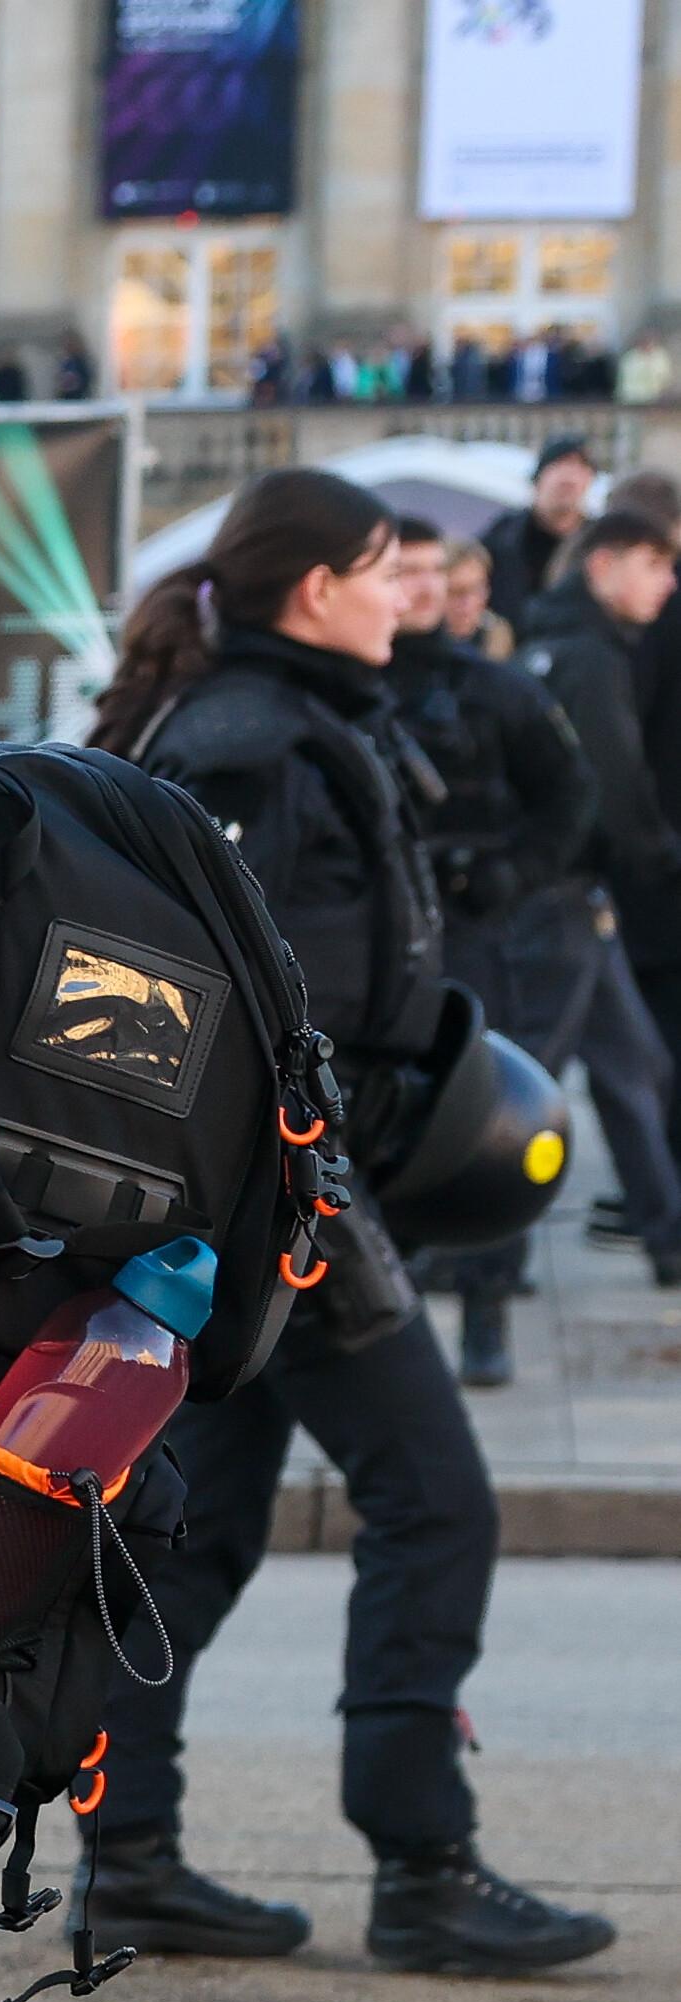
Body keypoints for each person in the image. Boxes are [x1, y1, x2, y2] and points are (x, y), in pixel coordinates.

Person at [81, 468, 612, 1979]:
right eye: (388, 569)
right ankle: (422, 1861)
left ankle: (131, 1858)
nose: (412, 595)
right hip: (285, 1203)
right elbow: (218, 1016)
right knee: (438, 1500)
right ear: (317, 589)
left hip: (278, 1200)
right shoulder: (253, 742)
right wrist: (301, 1198)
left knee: (200, 1526)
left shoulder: (278, 720)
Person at [393, 522, 672, 1388]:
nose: (430, 592)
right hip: (389, 941)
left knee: (495, 1109)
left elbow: (575, 794)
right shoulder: (344, 694)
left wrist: (508, 873)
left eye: (440, 574)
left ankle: (485, 1300)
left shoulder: (497, 686)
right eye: (408, 573)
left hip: (492, 931)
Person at [517, 500, 681, 1268]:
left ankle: (667, 1234)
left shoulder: (564, 642)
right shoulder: (588, 655)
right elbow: (613, 785)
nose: (667, 583)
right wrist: (661, 858)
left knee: (634, 1065)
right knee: (531, 1081)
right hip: (560, 897)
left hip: (577, 894)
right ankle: (481, 1263)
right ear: (604, 564)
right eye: (655, 565)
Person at [480, 434, 593, 626]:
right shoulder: (504, 537)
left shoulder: (597, 542)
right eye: (558, 466)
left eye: (579, 469)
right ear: (538, 478)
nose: (569, 476)